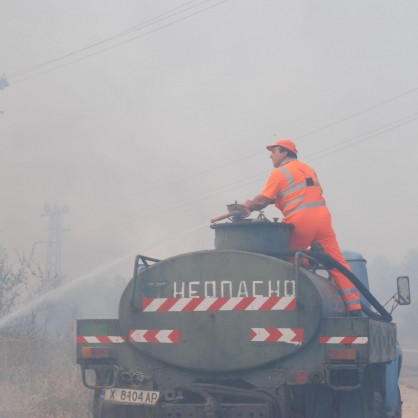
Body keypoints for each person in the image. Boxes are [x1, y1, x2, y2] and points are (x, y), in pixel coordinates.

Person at [242, 139, 361, 316]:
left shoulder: (279, 173)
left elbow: (262, 200)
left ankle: (286, 309)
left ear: (284, 153)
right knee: (337, 264)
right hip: (323, 220)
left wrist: (248, 206)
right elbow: (303, 192)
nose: (270, 155)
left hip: (301, 221)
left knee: (287, 260)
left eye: (274, 151)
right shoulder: (308, 169)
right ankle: (355, 309)